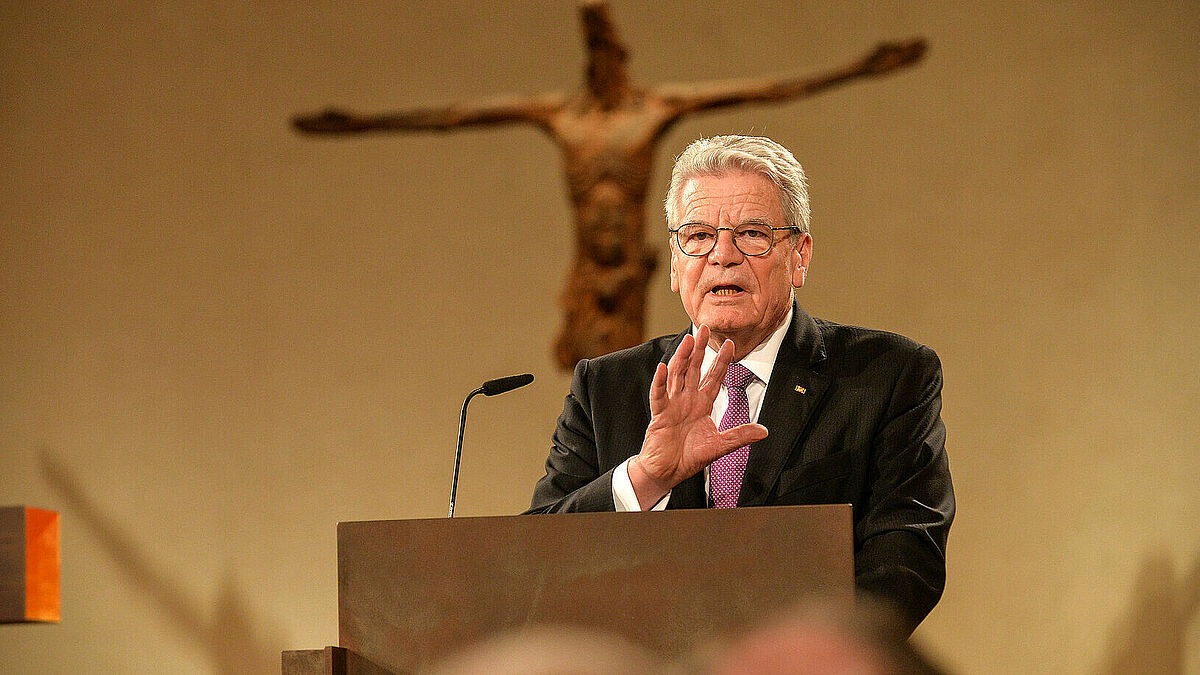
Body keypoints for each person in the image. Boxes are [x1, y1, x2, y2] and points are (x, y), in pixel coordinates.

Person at [526, 135, 954, 635]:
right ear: (674, 262)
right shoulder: (606, 386)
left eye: (751, 234)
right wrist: (646, 476)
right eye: (699, 235)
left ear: (799, 257)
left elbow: (906, 560)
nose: (722, 256)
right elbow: (536, 562)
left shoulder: (887, 375)